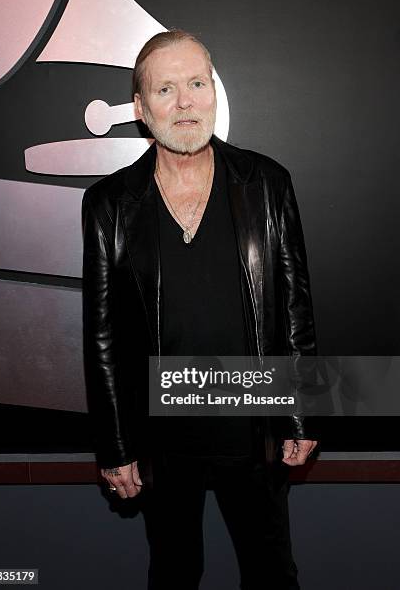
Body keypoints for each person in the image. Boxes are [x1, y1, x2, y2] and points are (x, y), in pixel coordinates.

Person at [82, 30, 318, 590]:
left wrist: (303, 413)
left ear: (213, 92)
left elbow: (295, 312)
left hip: (253, 422)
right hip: (162, 440)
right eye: (165, 88)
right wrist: (116, 446)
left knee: (274, 575)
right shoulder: (109, 205)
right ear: (141, 109)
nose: (185, 101)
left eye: (196, 83)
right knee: (173, 574)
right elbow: (103, 336)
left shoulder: (267, 183)